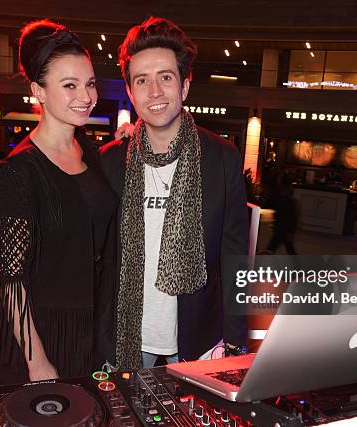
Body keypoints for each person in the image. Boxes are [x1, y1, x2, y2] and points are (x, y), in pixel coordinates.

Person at [100, 17, 248, 370]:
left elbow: (234, 258)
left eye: (165, 77)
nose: (154, 92)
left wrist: (236, 340)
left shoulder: (222, 157)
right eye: (142, 81)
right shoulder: (109, 162)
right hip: (126, 335)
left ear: (184, 86)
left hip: (198, 336)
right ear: (131, 92)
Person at [0, 19, 117, 382]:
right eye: (69, 85)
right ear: (38, 91)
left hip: (95, 327)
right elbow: (11, 280)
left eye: (89, 84)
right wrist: (37, 362)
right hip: (47, 333)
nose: (86, 96)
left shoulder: (88, 150)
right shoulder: (18, 172)